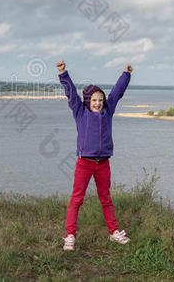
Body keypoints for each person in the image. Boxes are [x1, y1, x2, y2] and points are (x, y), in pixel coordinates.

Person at [56, 60, 133, 251]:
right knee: (77, 199)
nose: (98, 103)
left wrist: (126, 75)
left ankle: (114, 232)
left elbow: (117, 92)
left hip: (103, 164)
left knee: (106, 198)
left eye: (100, 99)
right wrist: (63, 73)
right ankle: (70, 236)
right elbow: (71, 93)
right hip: (84, 163)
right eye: (94, 100)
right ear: (87, 101)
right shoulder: (80, 112)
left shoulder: (108, 111)